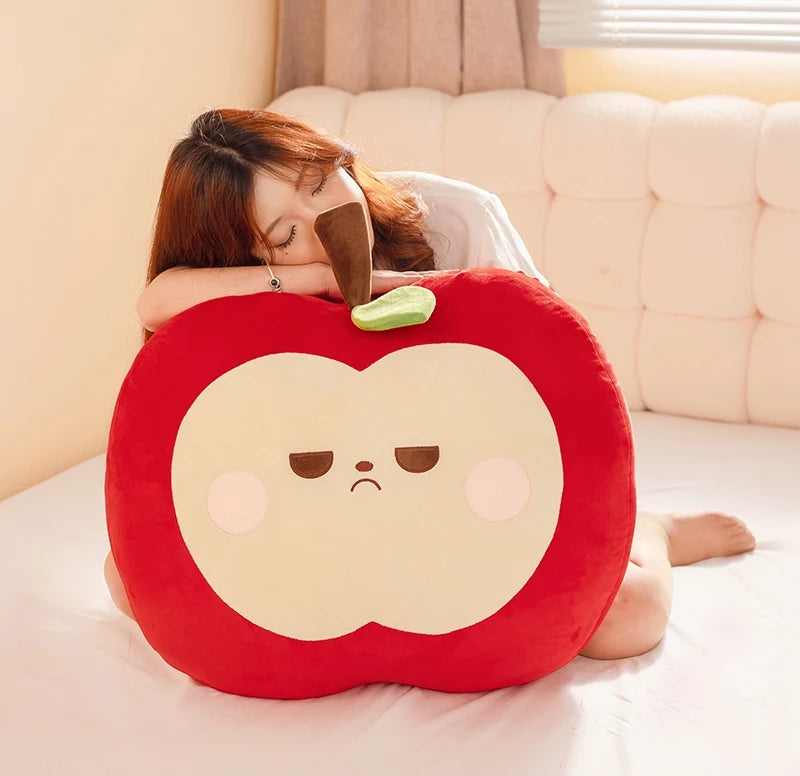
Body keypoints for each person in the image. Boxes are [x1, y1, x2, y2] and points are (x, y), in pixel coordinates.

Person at [104, 108, 756, 661]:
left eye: (320, 180)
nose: (329, 212)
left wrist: (405, 288)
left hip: (454, 482)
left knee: (624, 623)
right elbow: (157, 302)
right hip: (327, 500)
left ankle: (653, 533)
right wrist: (319, 284)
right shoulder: (260, 286)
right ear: (247, 260)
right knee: (128, 582)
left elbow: (549, 368)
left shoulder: (450, 214)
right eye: (285, 233)